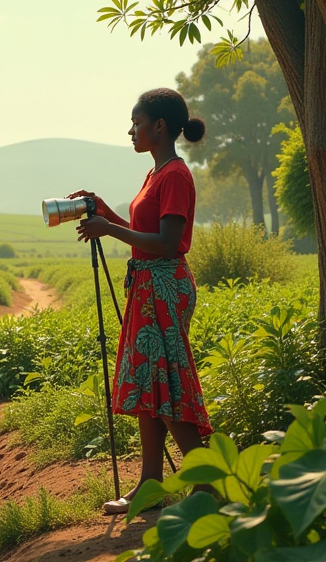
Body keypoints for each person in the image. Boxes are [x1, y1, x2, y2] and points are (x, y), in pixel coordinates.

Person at [67, 87, 212, 515]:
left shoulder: (175, 176)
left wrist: (110, 231)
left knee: (165, 384)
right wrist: (104, 212)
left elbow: (167, 243)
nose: (131, 130)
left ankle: (206, 486)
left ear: (159, 126)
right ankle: (151, 486)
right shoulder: (156, 174)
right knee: (152, 385)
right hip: (148, 286)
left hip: (165, 285)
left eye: (137, 122)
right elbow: (145, 234)